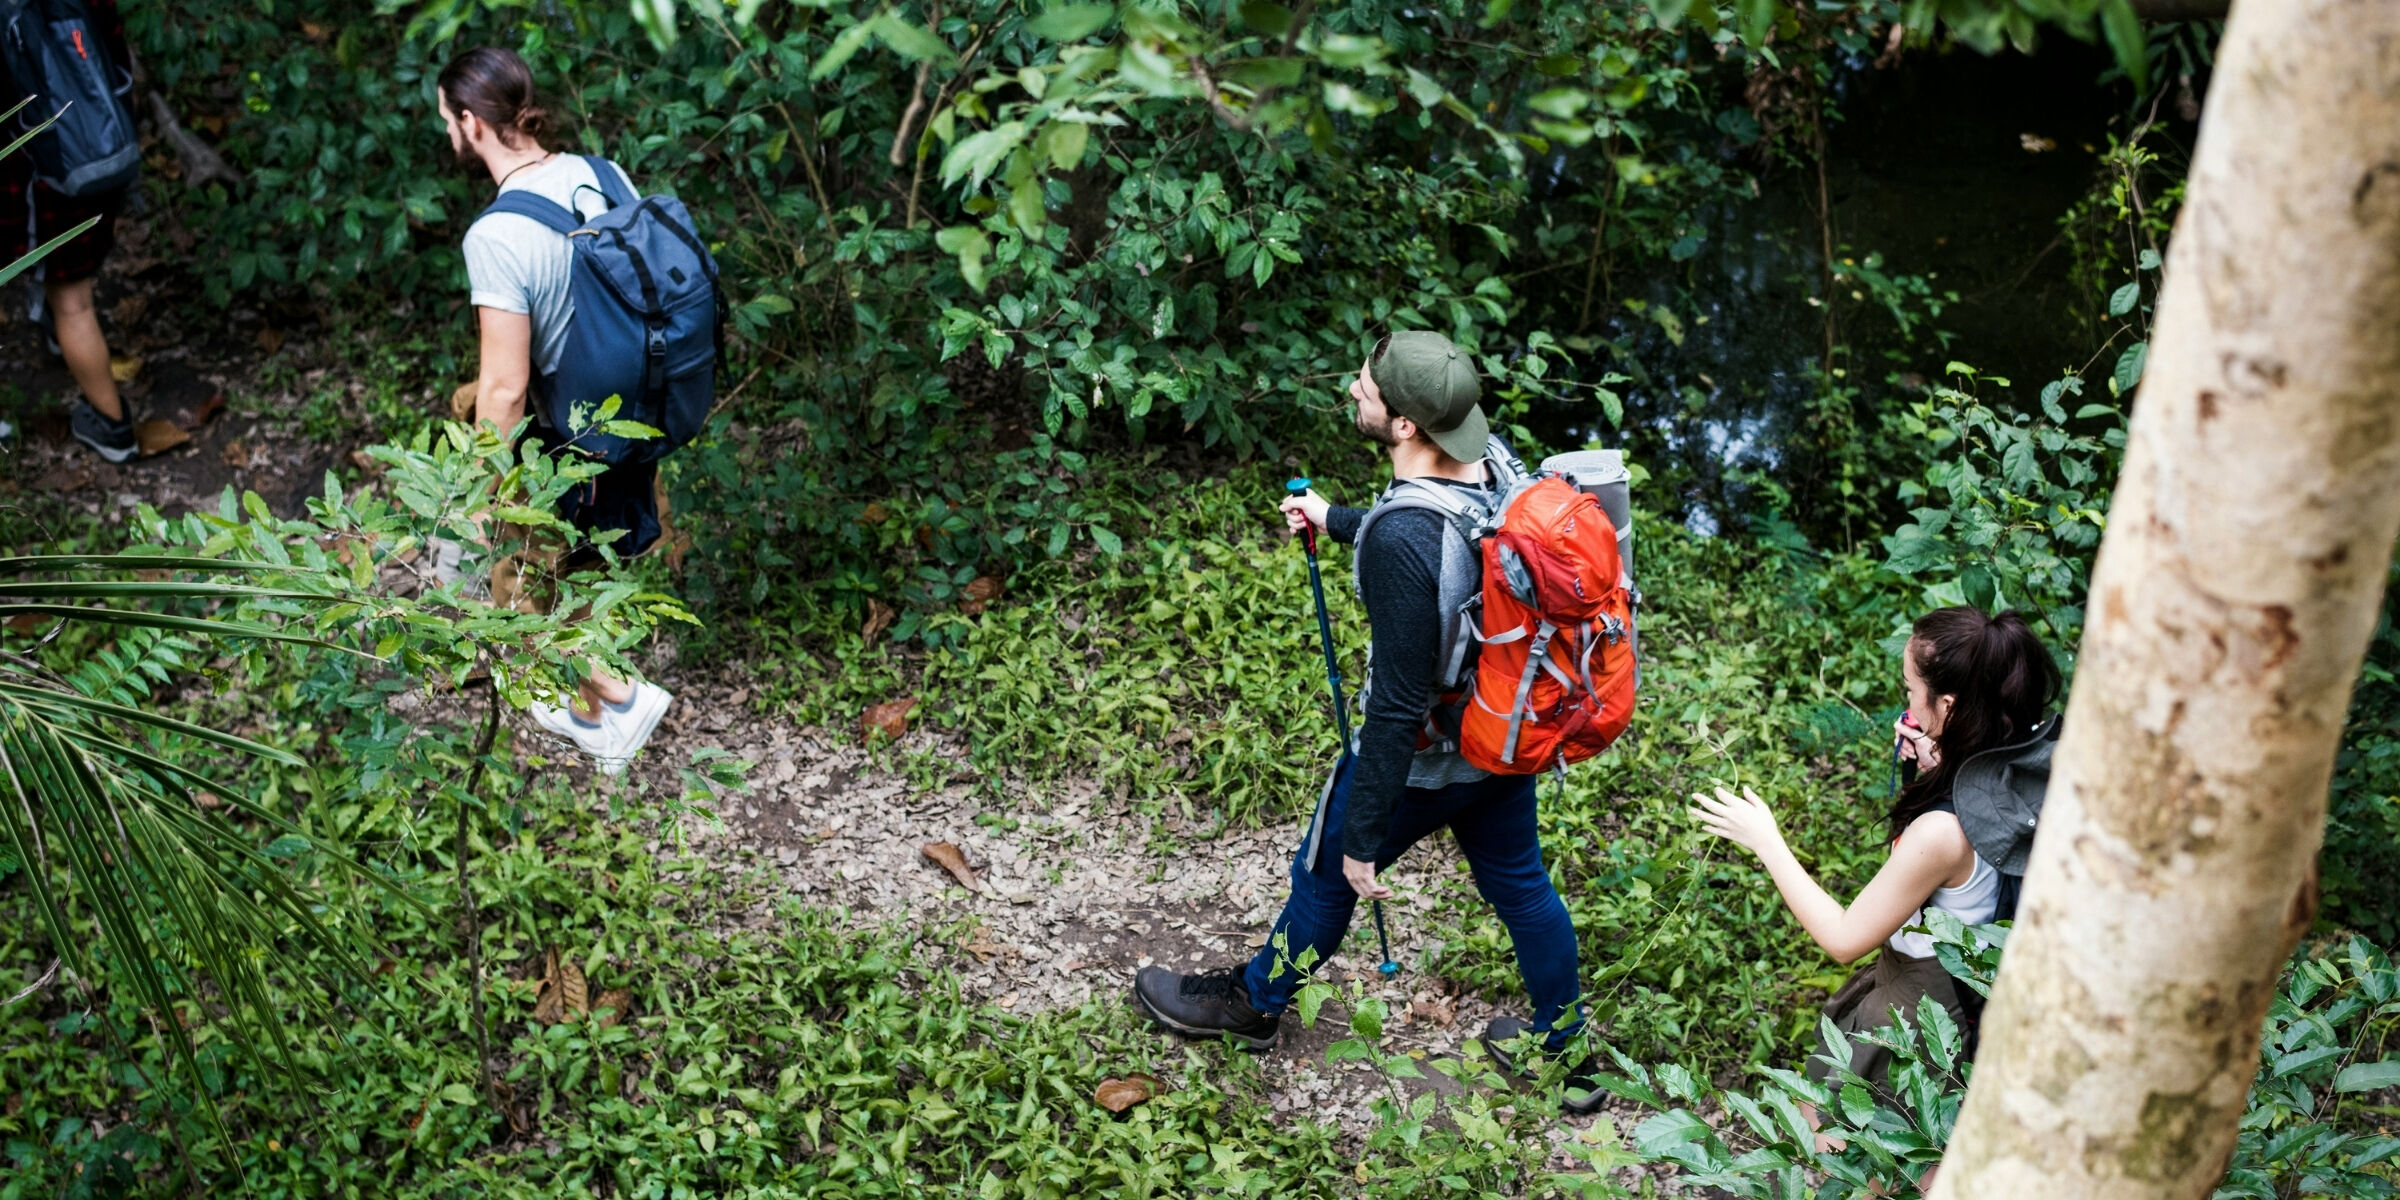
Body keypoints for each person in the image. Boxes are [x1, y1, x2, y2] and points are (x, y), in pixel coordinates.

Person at [1132, 331, 1600, 1112]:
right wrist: (1336, 517)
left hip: (1422, 761)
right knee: (1524, 888)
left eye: (1368, 386)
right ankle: (1568, 1057)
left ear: (1408, 426)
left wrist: (1362, 839)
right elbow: (1445, 548)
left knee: (1321, 882)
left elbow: (1396, 703)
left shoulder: (1405, 538)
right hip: (1506, 738)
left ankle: (1251, 1009)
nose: (1354, 389)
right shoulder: (1502, 465)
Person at [1690, 606, 2060, 1093]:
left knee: (1854, 1148)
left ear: (1948, 705)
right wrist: (1941, 759)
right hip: (1972, 989)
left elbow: (1845, 939)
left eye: (1910, 689)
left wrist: (1766, 840)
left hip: (1922, 1004)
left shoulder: (1941, 834)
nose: (1907, 701)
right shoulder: (2027, 759)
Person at [437, 46, 671, 773]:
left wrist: (481, 490)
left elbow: (504, 388)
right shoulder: (602, 174)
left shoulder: (496, 234)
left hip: (568, 432)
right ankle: (603, 709)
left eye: (448, 120)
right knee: (581, 569)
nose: (449, 132)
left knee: (520, 582)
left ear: (472, 123)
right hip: (637, 411)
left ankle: (620, 697)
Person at [5, 0, 139, 464]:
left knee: (72, 306)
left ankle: (111, 427)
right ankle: (113, 424)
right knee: (76, 298)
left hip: (34, 178)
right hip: (99, 156)